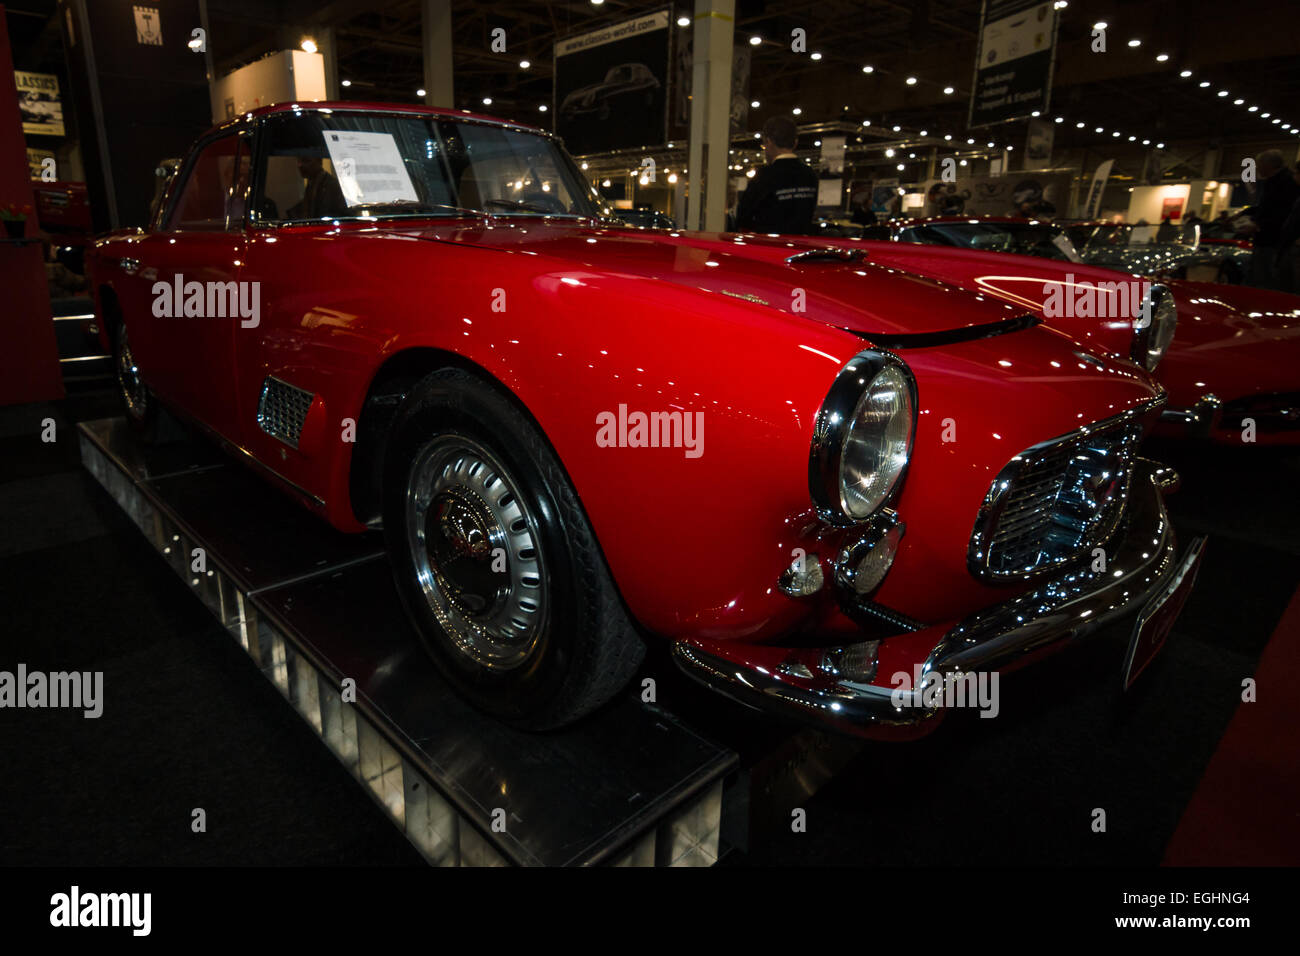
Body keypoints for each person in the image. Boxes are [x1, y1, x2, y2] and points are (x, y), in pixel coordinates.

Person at [735, 116, 818, 234]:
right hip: (800, 247)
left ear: (768, 141)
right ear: (795, 142)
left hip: (770, 247)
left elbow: (743, 217)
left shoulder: (764, 176)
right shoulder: (810, 175)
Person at [1241, 149, 1300, 289]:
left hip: (1273, 242)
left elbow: (1282, 213)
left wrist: (1259, 225)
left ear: (1268, 165)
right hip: (1269, 241)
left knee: (1267, 281)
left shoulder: (1285, 183)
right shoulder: (1273, 182)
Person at [287, 155, 348, 219]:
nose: (300, 165)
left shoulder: (332, 185)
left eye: (306, 160)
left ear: (319, 161)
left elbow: (342, 215)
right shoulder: (312, 184)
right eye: (298, 161)